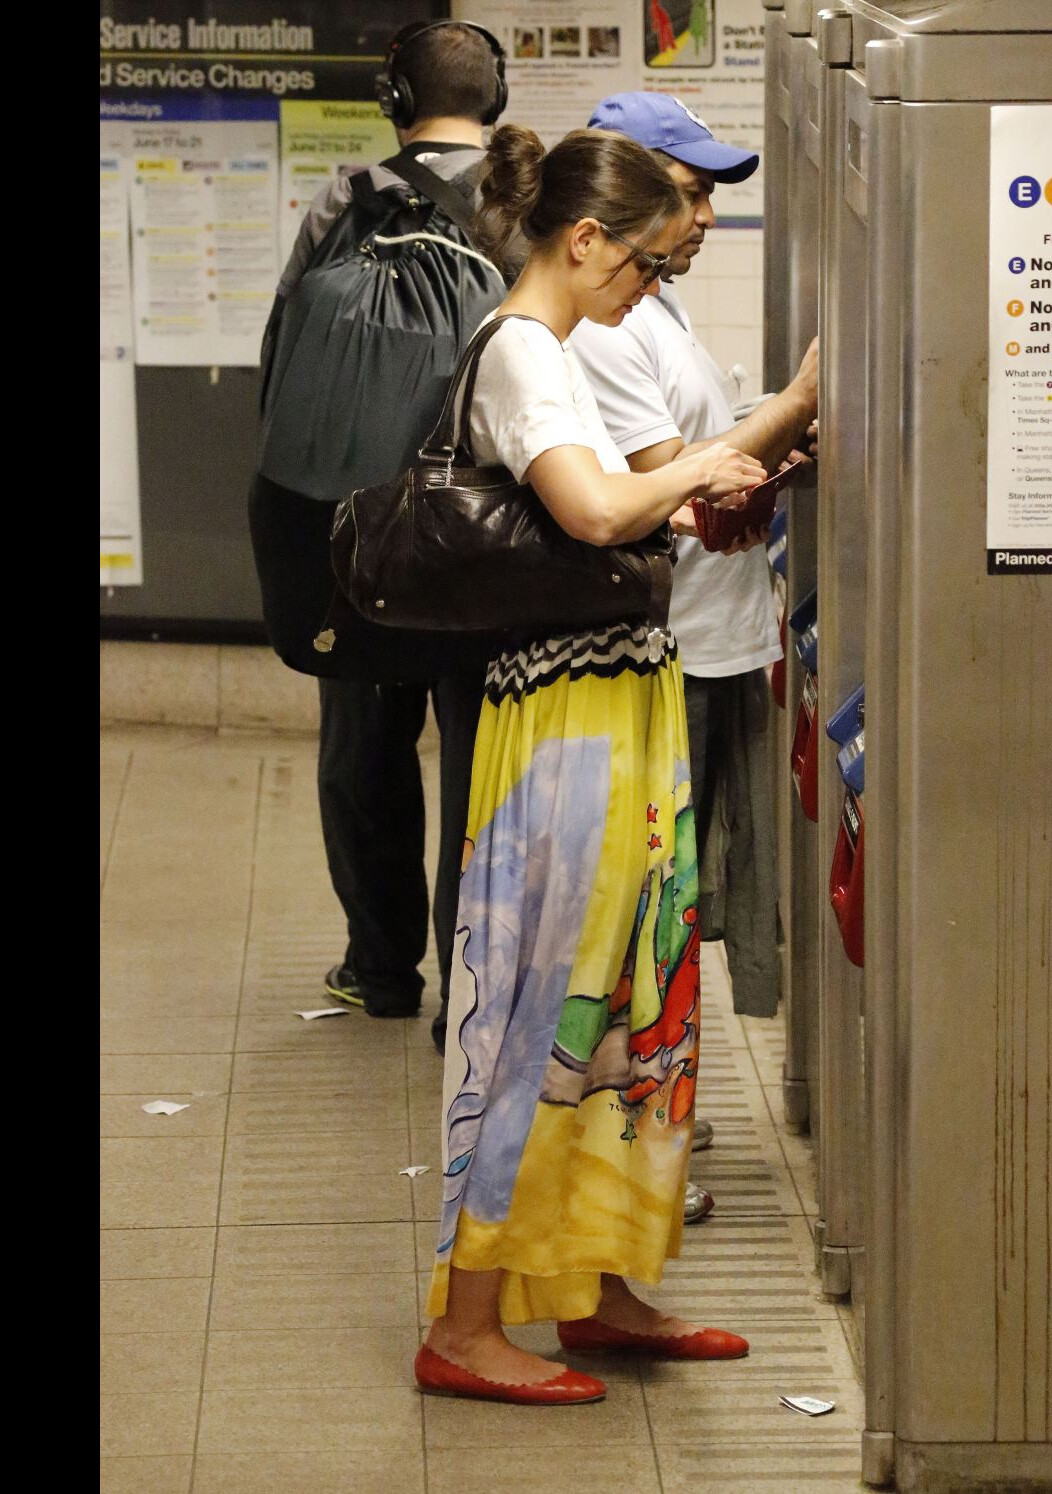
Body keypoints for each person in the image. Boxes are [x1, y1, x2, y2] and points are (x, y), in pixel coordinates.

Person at [414, 125, 767, 1406]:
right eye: (645, 267)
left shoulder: (552, 352)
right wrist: (719, 457)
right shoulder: (520, 353)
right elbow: (589, 510)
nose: (647, 293)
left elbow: (620, 495)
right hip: (561, 726)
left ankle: (603, 1285)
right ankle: (465, 1325)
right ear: (585, 242)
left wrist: (705, 472)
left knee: (628, 1007)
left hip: (611, 705)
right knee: (538, 1015)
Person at [248, 20, 511, 1045]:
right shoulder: (529, 199)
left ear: (395, 101)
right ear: (497, 96)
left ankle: (378, 966)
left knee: (362, 743)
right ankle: (470, 990)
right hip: (482, 539)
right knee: (480, 763)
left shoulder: (346, 199)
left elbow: (286, 364)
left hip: (359, 527)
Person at [570, 95, 819, 1127]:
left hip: (714, 640)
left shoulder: (653, 307)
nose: (706, 215)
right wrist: (797, 402)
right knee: (647, 900)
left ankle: (652, 1100)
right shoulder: (604, 328)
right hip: (668, 646)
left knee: (679, 902)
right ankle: (628, 1113)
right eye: (690, 189)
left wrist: (760, 456)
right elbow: (668, 487)